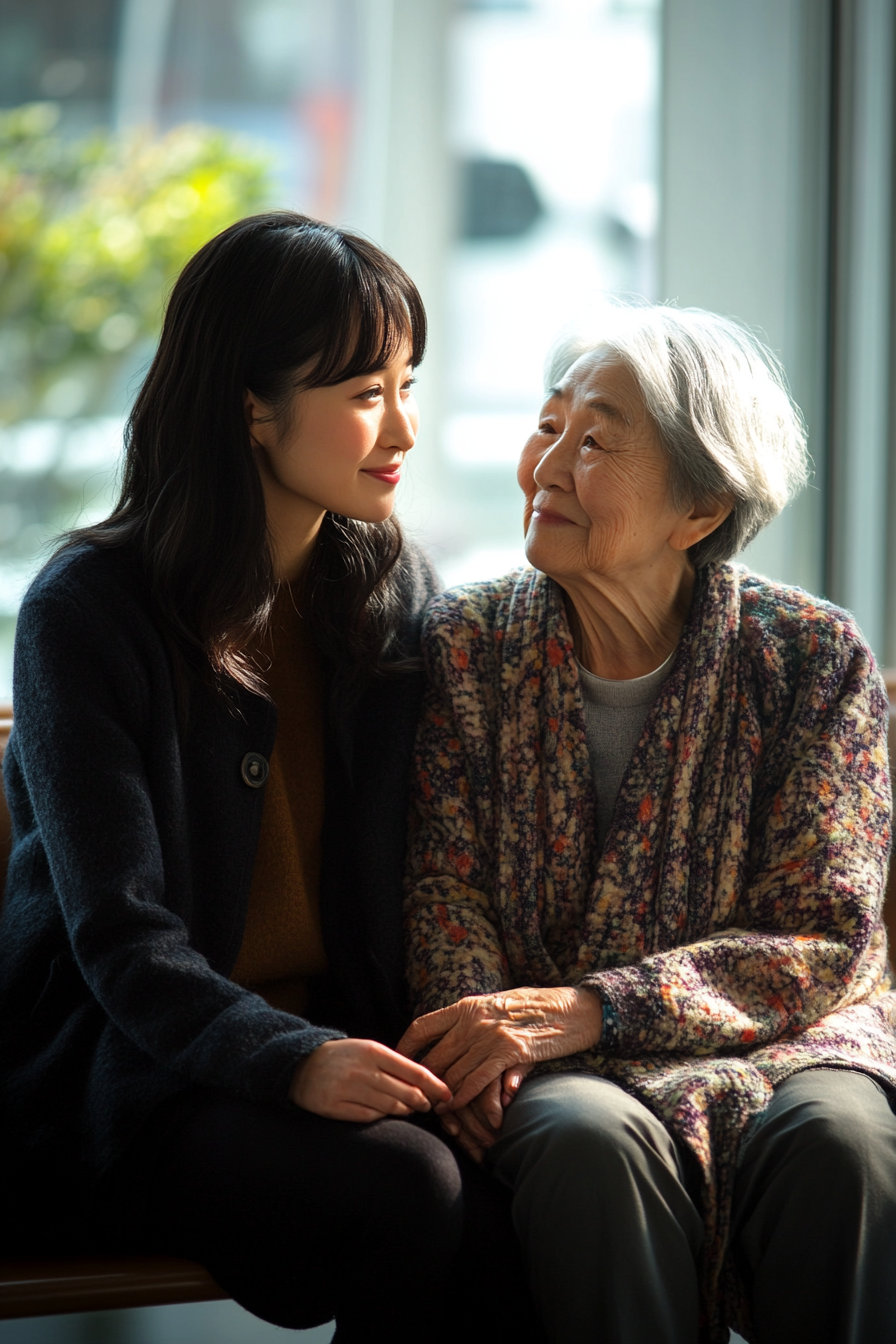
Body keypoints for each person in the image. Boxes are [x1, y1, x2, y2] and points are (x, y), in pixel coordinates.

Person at [0, 211, 524, 1343]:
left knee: (517, 1189)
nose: (404, 427)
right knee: (410, 1191)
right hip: (129, 1072)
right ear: (251, 406)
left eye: (407, 381)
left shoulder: (386, 591)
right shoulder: (87, 613)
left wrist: (461, 1051)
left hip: (336, 1042)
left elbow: (427, 873)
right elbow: (121, 938)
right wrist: (288, 1061)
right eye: (363, 392)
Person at [399, 303, 896, 1344]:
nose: (547, 463)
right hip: (553, 1068)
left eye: (595, 442)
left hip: (784, 1043)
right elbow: (443, 886)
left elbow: (817, 936)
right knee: (584, 1144)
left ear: (699, 510)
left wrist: (588, 1007)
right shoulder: (464, 645)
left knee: (841, 1143)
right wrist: (474, 1033)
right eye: (547, 424)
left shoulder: (810, 659)